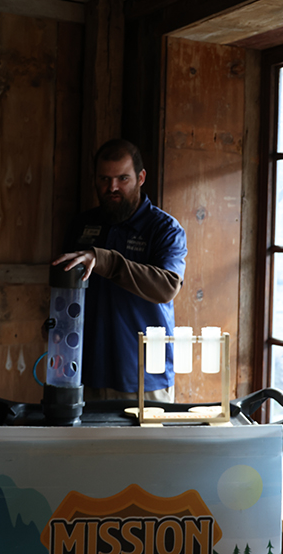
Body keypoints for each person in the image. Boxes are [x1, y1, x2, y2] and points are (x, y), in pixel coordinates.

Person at [52, 139, 187, 402]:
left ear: (141, 177)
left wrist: (105, 260)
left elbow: (167, 287)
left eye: (122, 178)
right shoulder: (82, 225)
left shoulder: (165, 229)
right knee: (84, 444)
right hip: (82, 370)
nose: (112, 187)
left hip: (143, 377)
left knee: (146, 445)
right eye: (104, 179)